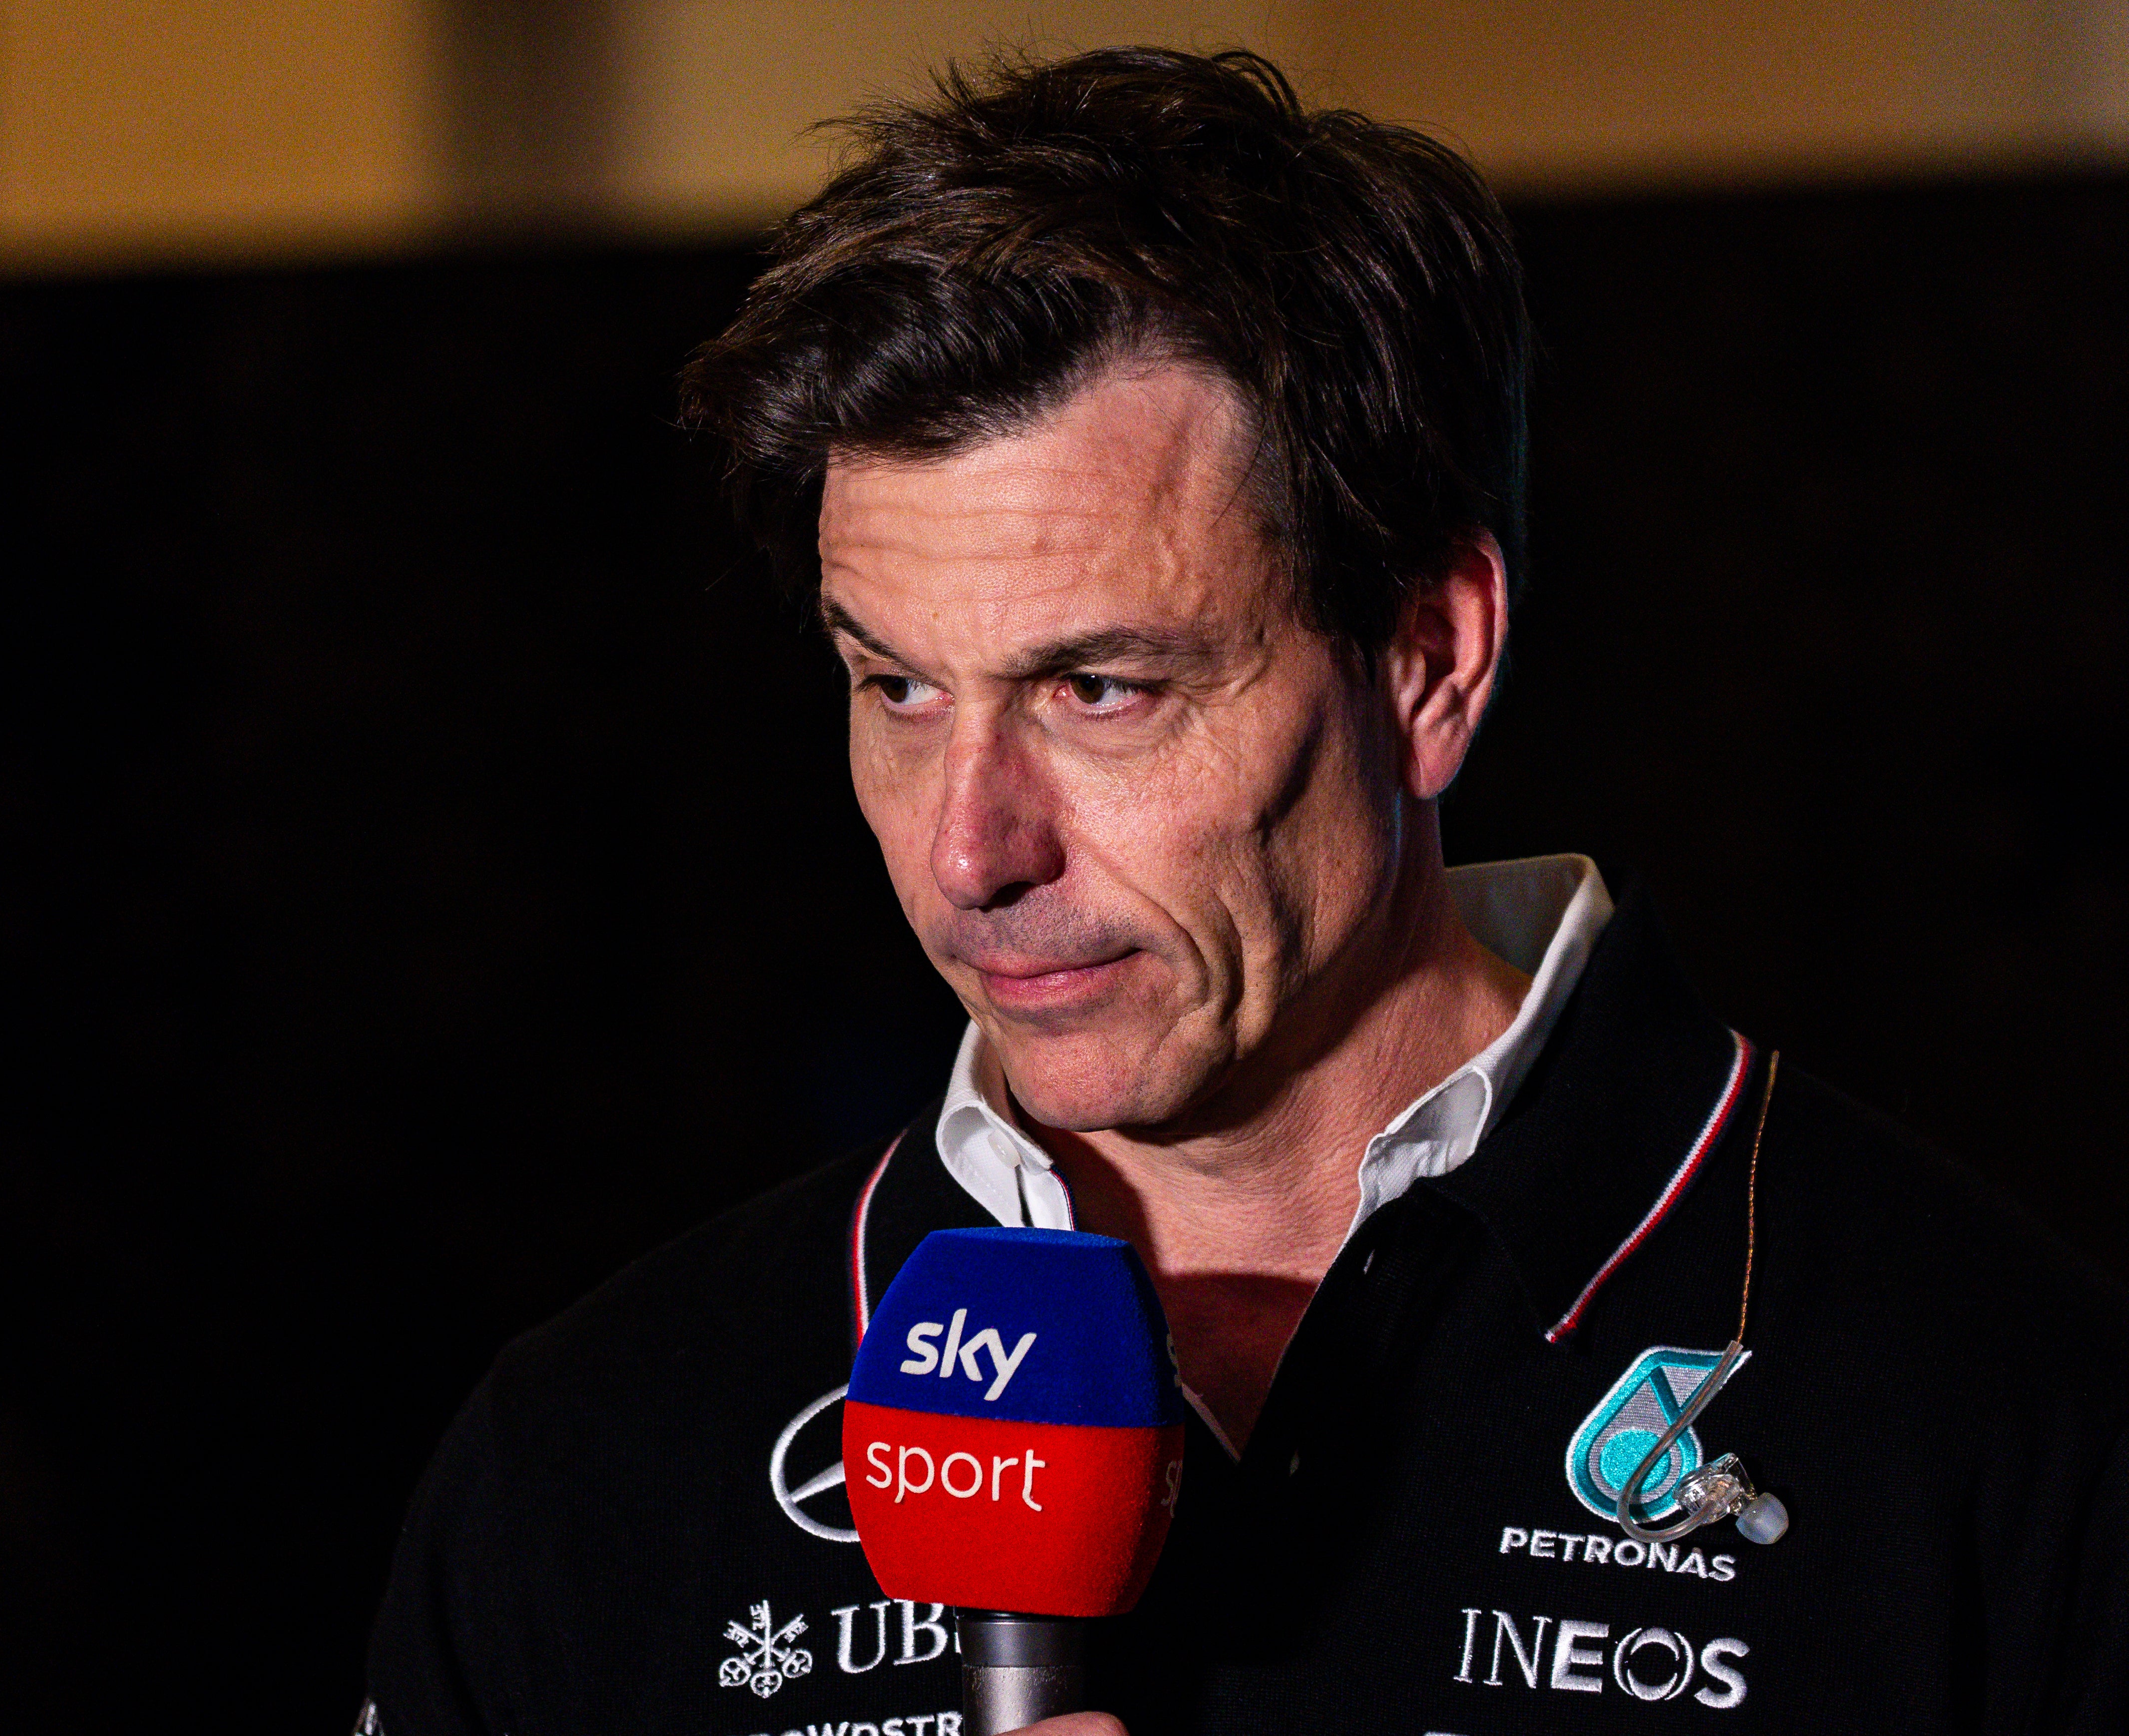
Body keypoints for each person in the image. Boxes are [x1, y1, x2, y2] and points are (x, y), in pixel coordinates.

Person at [362, 47, 2129, 1736]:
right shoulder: (593, 1454)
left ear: (1429, 660)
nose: (971, 852)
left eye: (1100, 690)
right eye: (896, 685)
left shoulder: (1987, 1408)